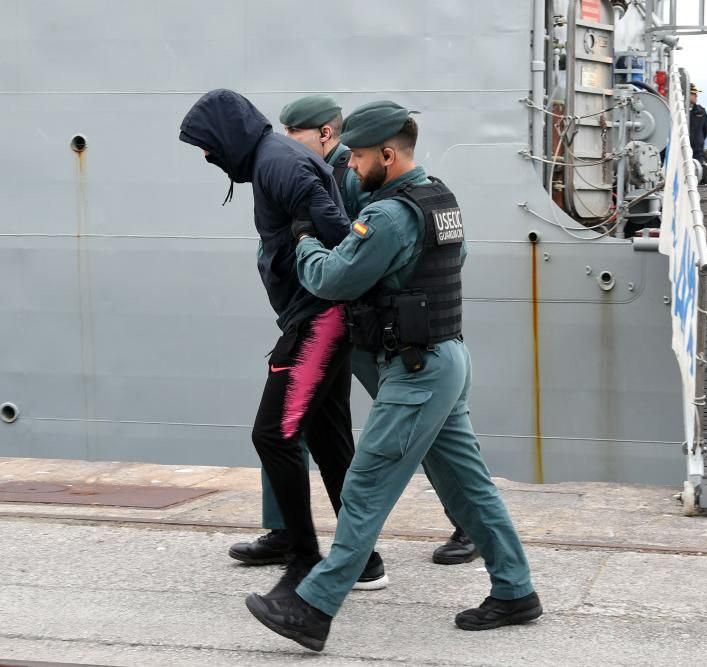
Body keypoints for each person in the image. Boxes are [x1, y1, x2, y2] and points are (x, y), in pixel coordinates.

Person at [245, 100, 542, 652]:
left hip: (414, 370)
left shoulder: (389, 217)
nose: (351, 167)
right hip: (446, 358)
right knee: (468, 485)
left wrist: (305, 239)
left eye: (357, 157)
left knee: (365, 486)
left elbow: (332, 278)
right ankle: (515, 589)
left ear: (387, 154)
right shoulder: (437, 197)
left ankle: (311, 606)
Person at [230, 94, 479, 568]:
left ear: (325, 134)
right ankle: (285, 528)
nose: (286, 143)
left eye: (294, 133)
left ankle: (464, 523)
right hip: (338, 322)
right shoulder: (312, 172)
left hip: (363, 326)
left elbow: (403, 242)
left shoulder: (351, 176)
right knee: (299, 420)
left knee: (423, 427)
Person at [178, 89, 387, 596]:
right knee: (328, 438)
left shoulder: (280, 165)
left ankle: (302, 558)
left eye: (207, 146)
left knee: (273, 434)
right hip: (322, 316)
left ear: (228, 136)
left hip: (318, 322)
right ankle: (364, 561)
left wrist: (309, 256)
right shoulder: (276, 160)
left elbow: (342, 236)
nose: (206, 157)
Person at [688, 83, 707, 185]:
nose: (696, 96)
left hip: (697, 152)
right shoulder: (678, 111)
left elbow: (704, 131)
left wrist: (699, 140)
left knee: (699, 174)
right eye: (694, 94)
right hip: (682, 151)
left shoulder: (701, 112)